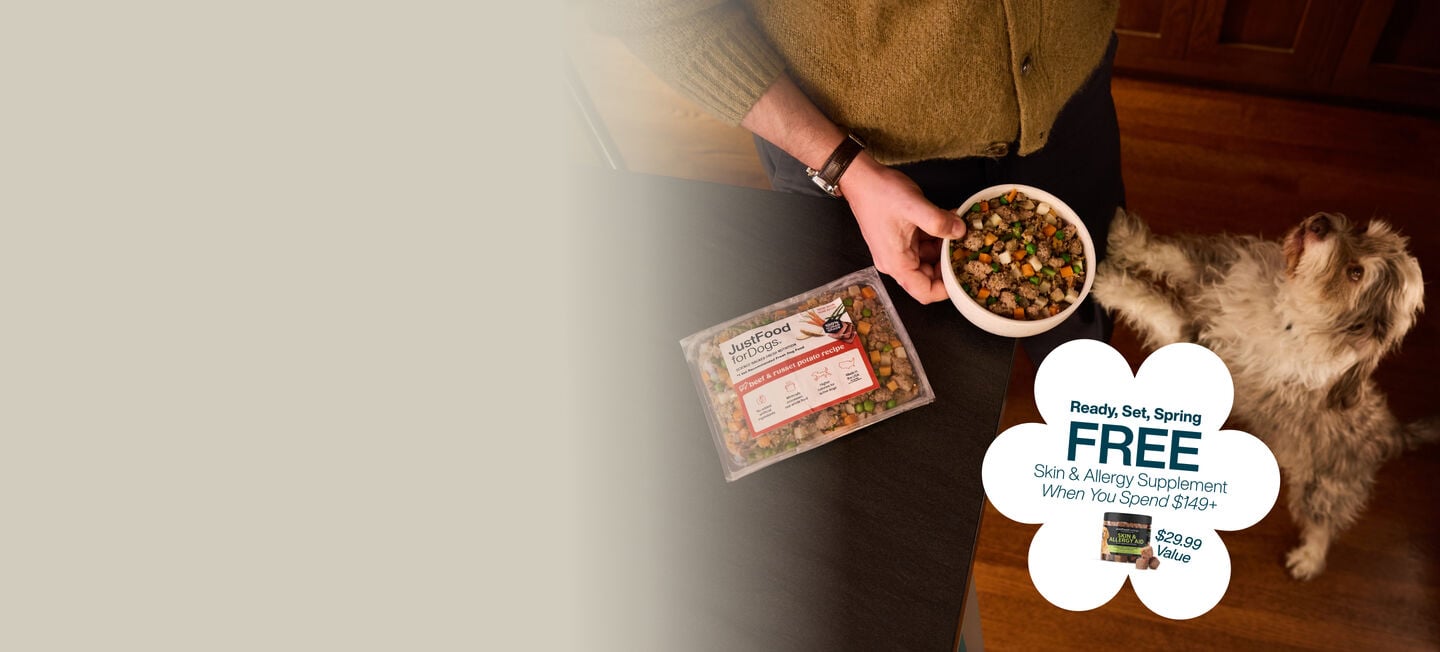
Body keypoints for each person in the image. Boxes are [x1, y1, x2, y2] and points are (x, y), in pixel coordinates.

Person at [593, 1, 1124, 362]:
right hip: (850, 159)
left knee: (1081, 335)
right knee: (881, 382)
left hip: (1069, 107)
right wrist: (843, 165)